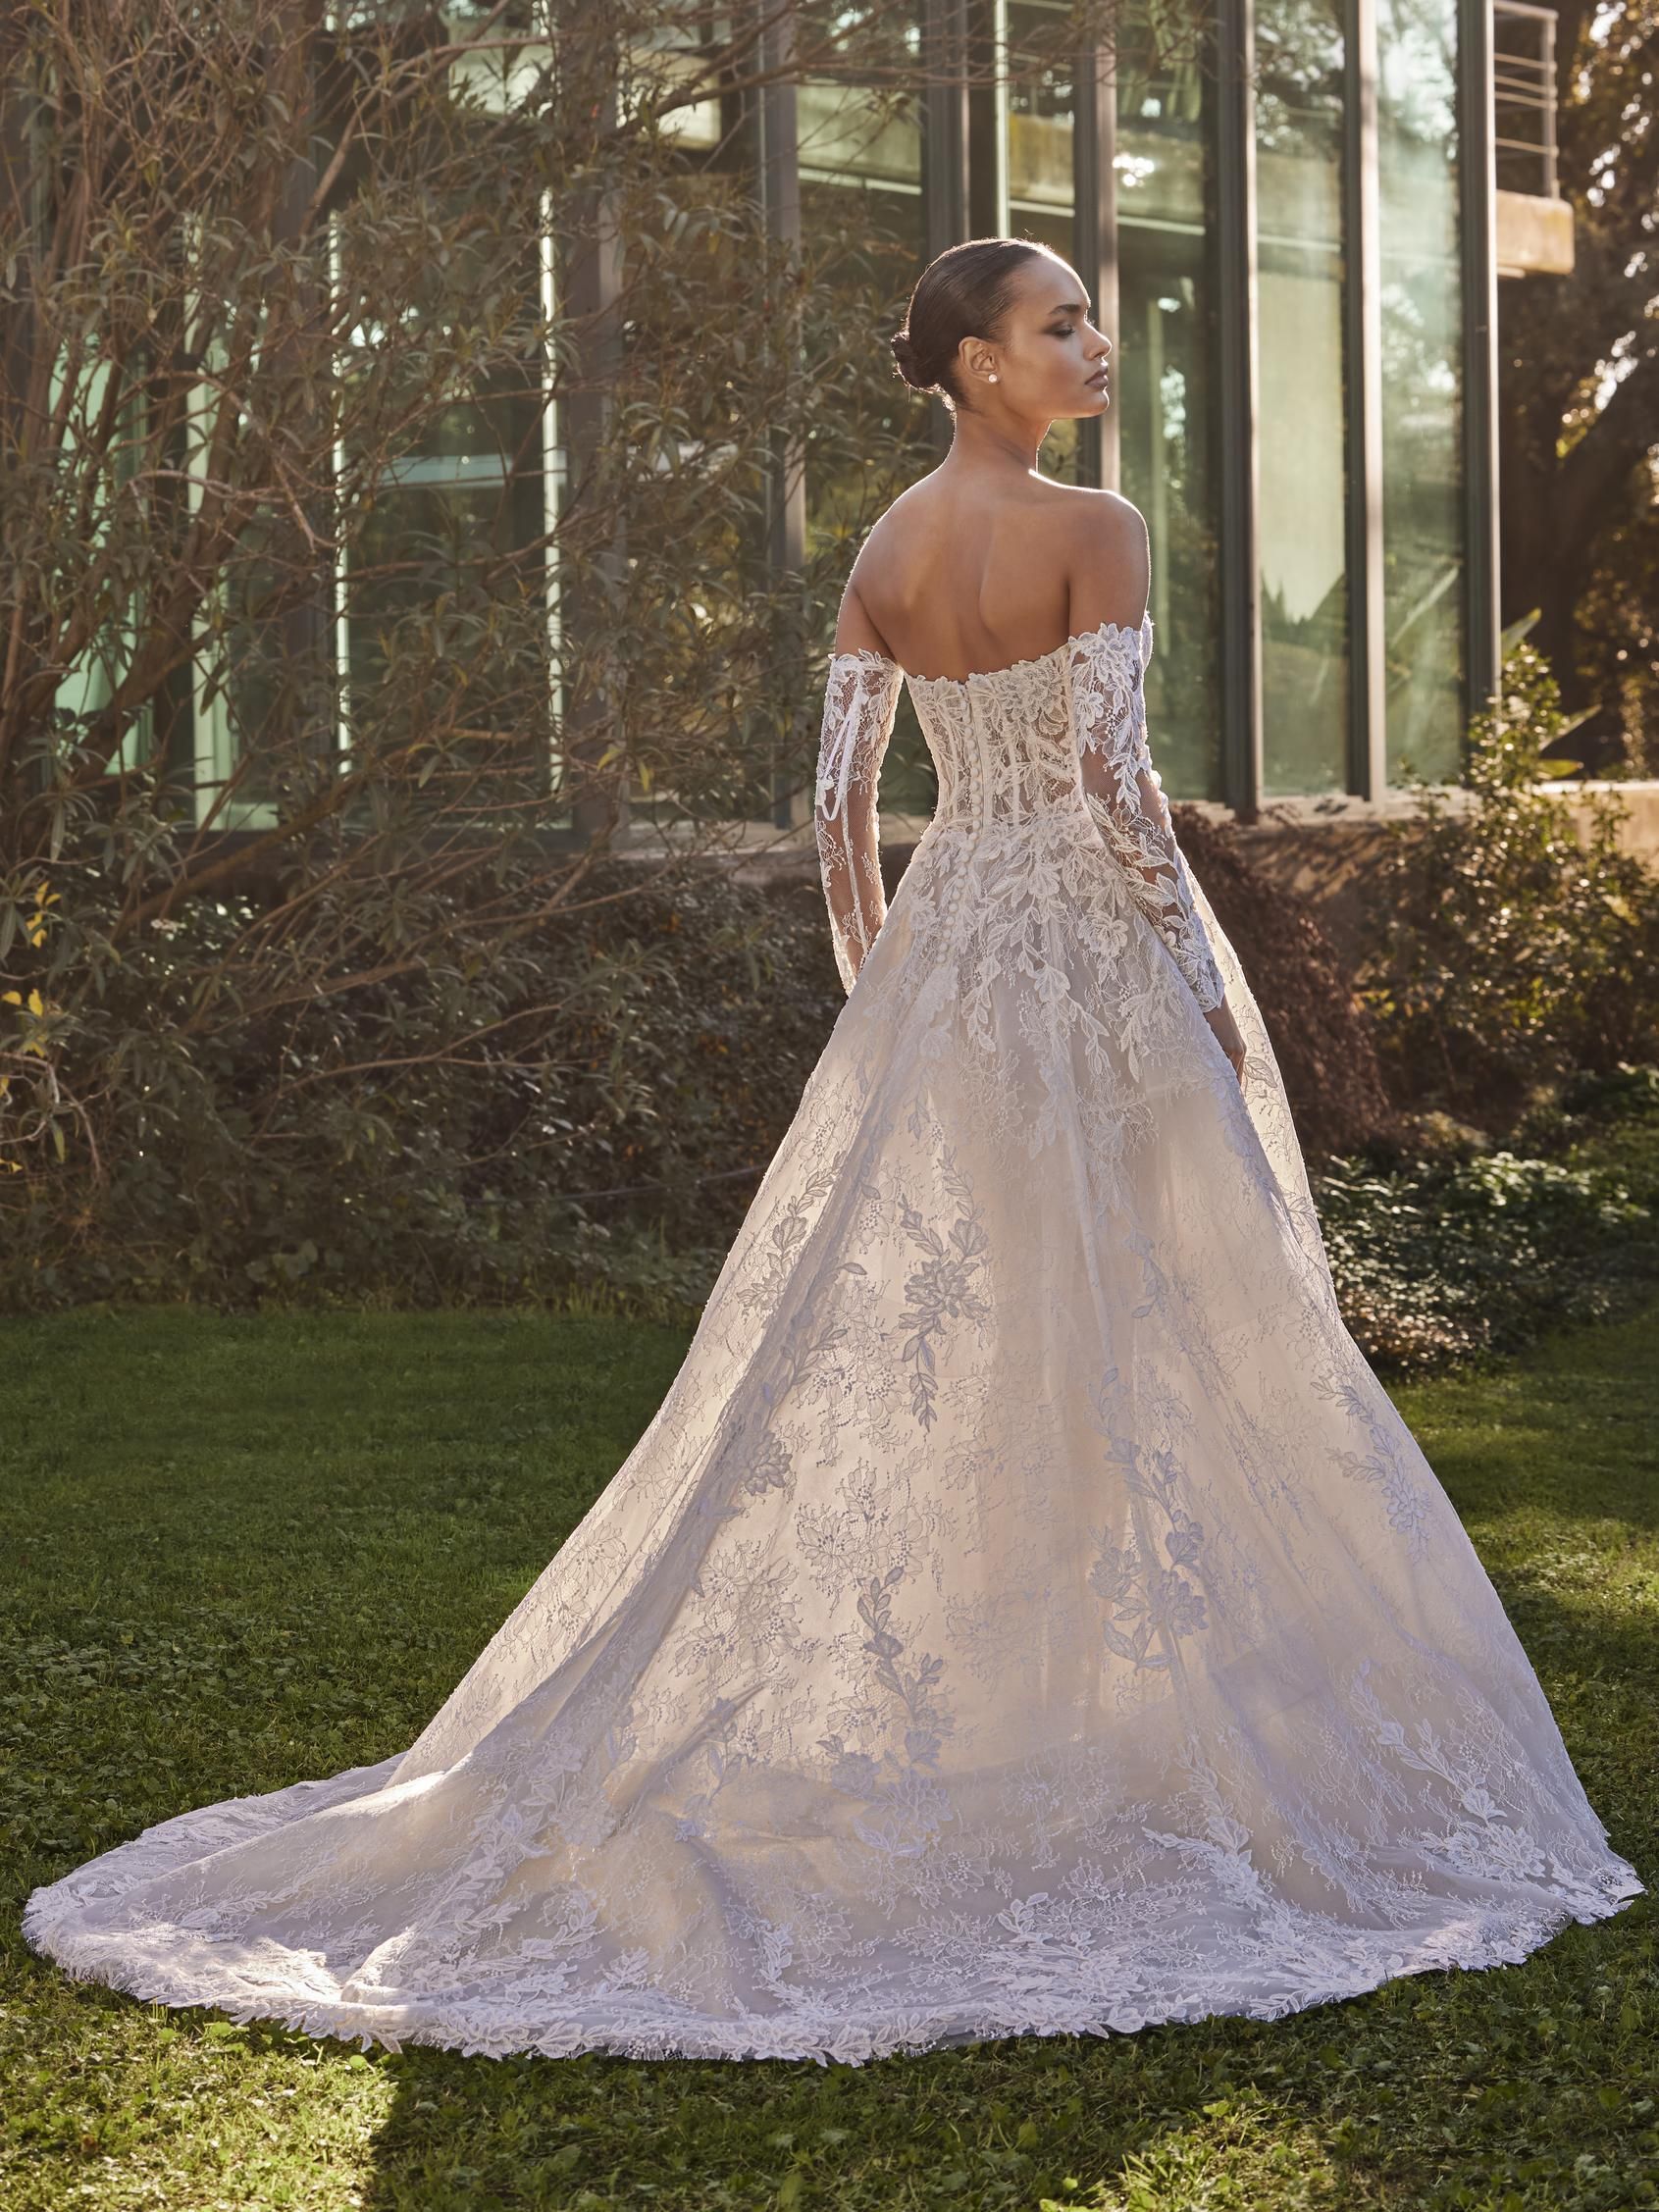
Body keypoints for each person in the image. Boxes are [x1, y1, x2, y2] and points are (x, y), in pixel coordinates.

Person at [24, 237, 1643, 2068]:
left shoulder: (887, 547)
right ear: (977, 363)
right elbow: (1118, 788)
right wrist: (1201, 987)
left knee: (995, 1325)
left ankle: (1068, 1699)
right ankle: (1144, 1708)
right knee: (1173, 1313)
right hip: (1091, 955)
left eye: (1089, 319)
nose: (1093, 344)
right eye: (1058, 325)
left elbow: (838, 811)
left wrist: (889, 993)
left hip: (955, 958)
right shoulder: (1095, 530)